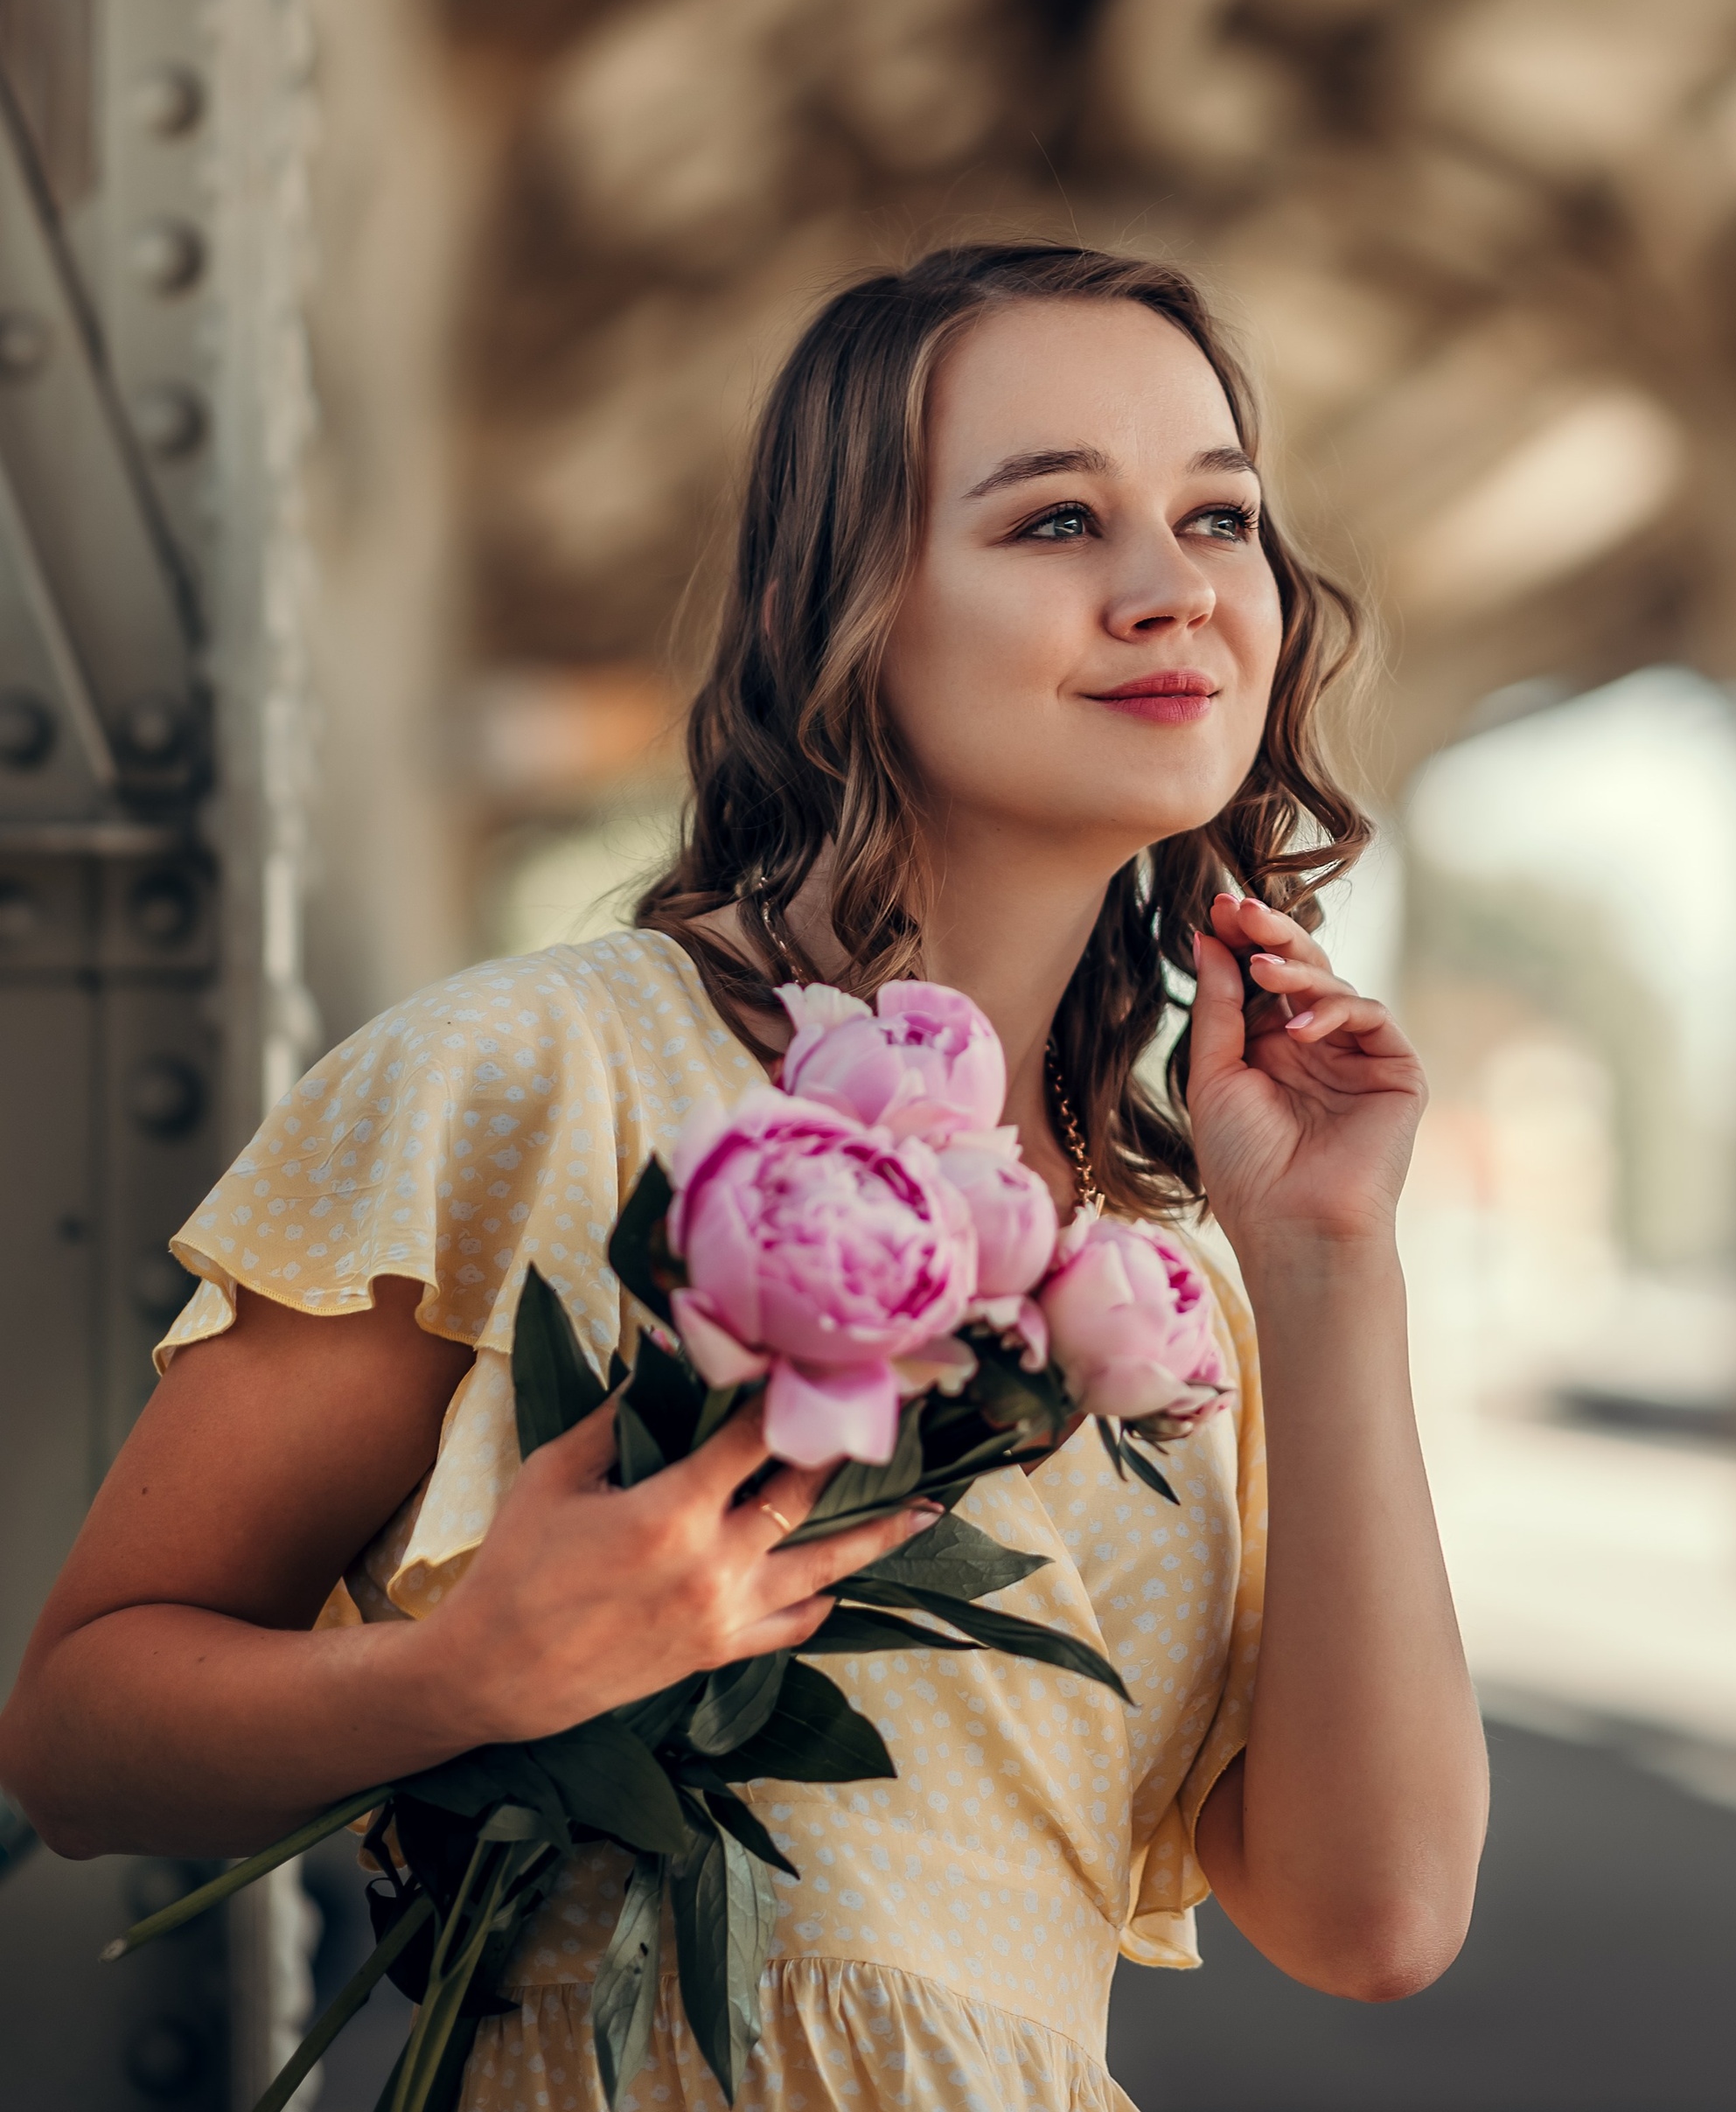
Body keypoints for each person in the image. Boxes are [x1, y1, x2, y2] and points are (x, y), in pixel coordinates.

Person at [0, 241, 1488, 2110]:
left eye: (1218, 515)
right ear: (845, 604)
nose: (1169, 588)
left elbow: (1378, 1914)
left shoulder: (1168, 1278)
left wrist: (1333, 1258)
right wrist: (463, 1673)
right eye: (1051, 521)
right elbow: (77, 1737)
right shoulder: (536, 1067)